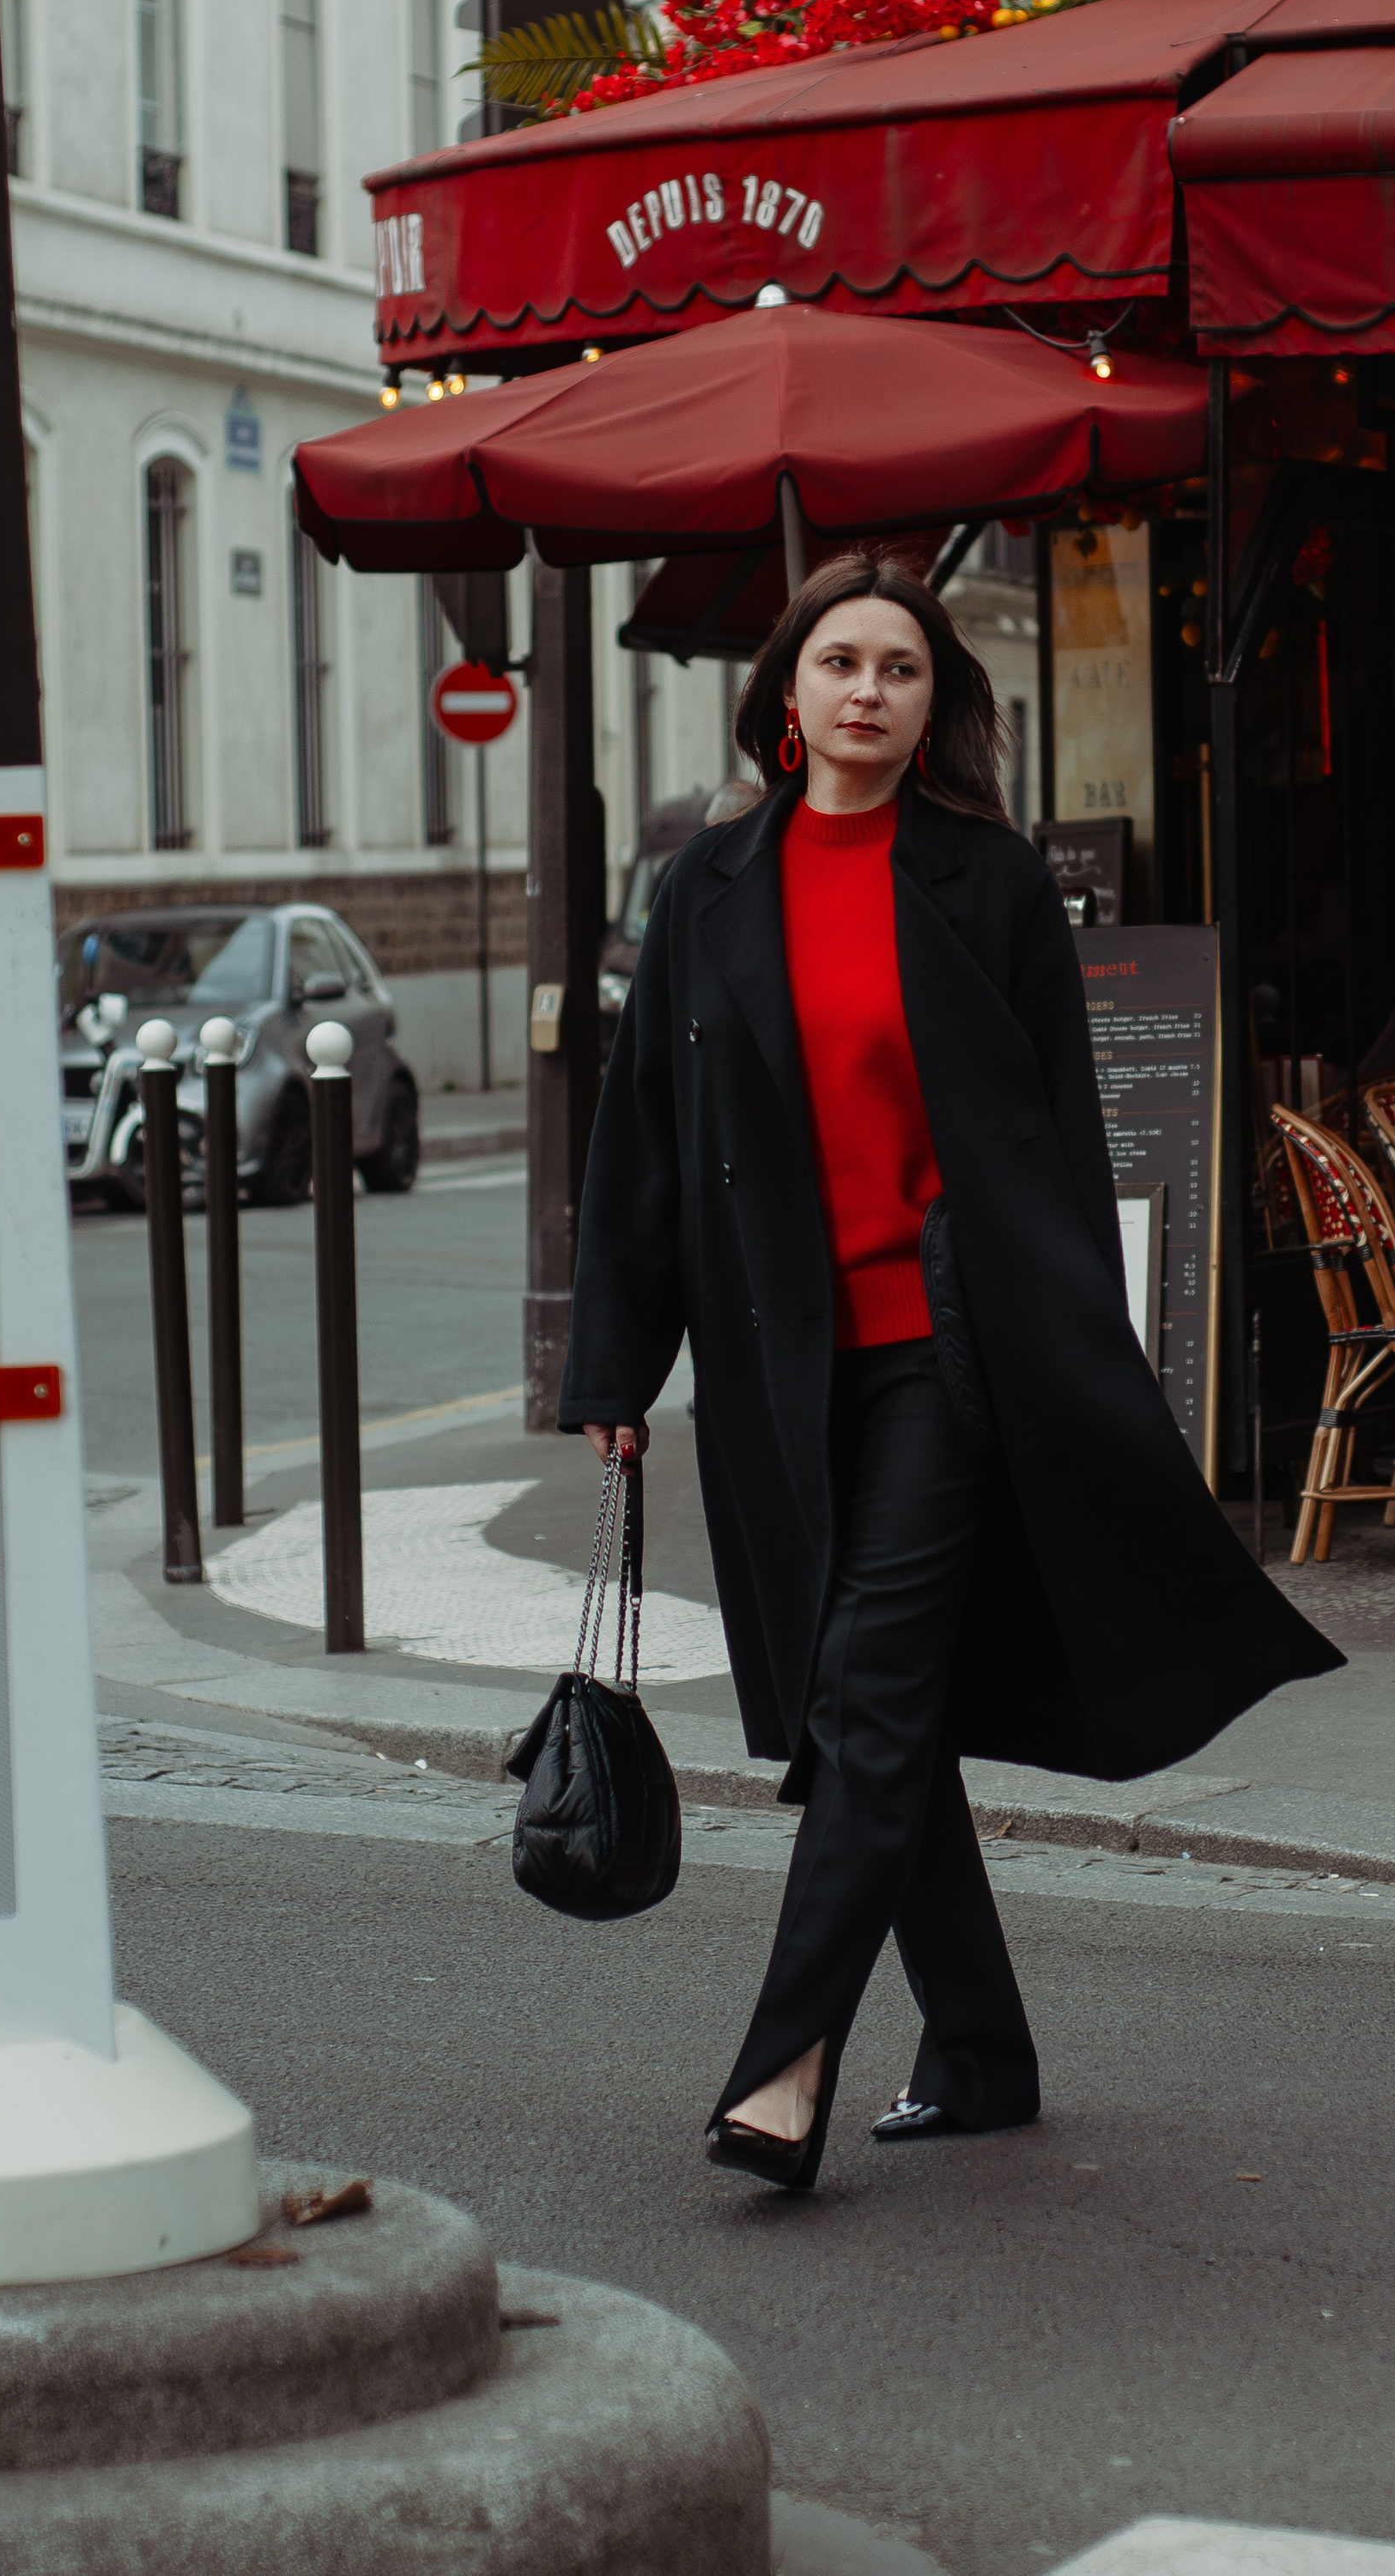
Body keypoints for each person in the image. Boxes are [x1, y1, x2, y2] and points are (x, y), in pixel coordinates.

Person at [560, 551, 1341, 2190]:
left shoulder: (985, 883)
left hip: (947, 1354)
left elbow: (1060, 1132)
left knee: (866, 1692)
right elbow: (642, 1141)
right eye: (840, 663)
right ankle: (982, 2051)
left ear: (935, 708)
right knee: (874, 1715)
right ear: (788, 694)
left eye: (901, 671)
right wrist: (618, 1372)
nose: (868, 691)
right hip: (777, 1369)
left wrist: (1072, 1354)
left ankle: (786, 2064)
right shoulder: (708, 893)